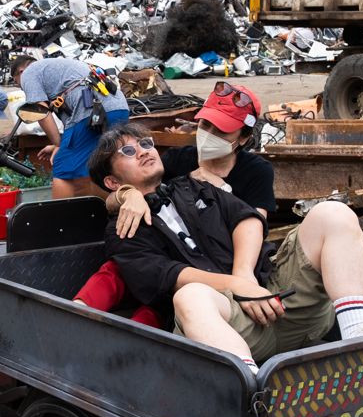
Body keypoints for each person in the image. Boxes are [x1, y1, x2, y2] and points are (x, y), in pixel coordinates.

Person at [90, 125, 363, 371]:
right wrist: (238, 289)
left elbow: (248, 219)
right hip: (226, 327)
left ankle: (358, 334)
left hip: (278, 299)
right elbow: (170, 277)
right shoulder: (123, 231)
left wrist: (246, 279)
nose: (145, 150)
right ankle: (252, 388)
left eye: (146, 143)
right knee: (189, 296)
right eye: (129, 151)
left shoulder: (191, 186)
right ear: (112, 182)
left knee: (333, 213)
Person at [80, 81, 274, 310]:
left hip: (227, 253)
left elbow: (251, 224)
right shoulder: (178, 161)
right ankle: (79, 312)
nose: (209, 134)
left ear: (242, 138)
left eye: (221, 130)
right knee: (128, 264)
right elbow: (117, 191)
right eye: (205, 124)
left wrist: (242, 279)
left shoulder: (254, 171)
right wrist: (128, 194)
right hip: (178, 253)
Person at [9, 54, 130, 199]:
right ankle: (109, 213)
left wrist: (58, 145)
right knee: (101, 167)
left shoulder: (29, 73)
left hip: (93, 112)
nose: (22, 87)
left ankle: (61, 219)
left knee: (62, 167)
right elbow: (71, 125)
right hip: (119, 108)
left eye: (18, 83)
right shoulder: (58, 70)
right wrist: (60, 145)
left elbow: (40, 112)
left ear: (21, 72)